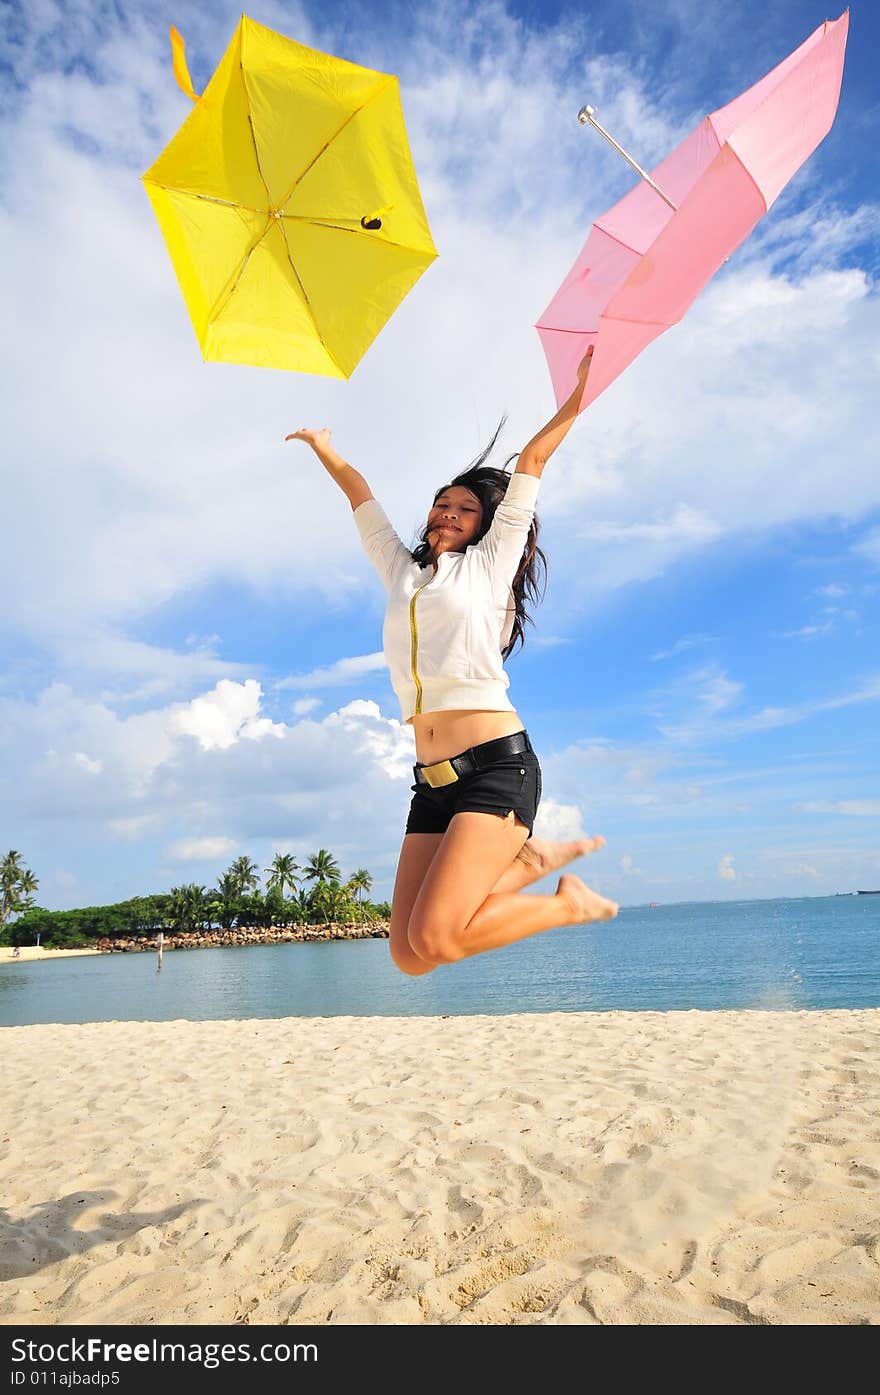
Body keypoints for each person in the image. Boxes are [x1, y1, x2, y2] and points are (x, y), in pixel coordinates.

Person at [286, 347, 618, 975]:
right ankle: (527, 862)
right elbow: (362, 500)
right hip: (431, 782)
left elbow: (534, 461)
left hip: (496, 767)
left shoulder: (490, 568)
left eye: (465, 508)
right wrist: (323, 447)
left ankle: (565, 904)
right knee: (410, 956)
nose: (447, 513)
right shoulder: (401, 573)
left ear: (485, 524)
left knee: (438, 940)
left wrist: (579, 394)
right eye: (442, 503)